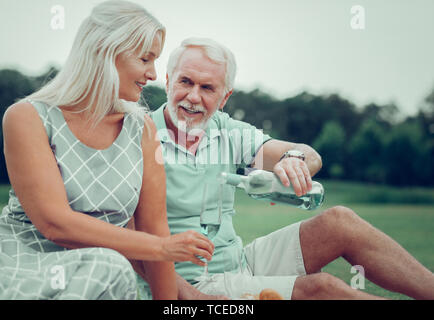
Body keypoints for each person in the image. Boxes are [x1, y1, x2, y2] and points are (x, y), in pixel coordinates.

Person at [146, 37, 434, 300]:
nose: (194, 97)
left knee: (340, 221)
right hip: (193, 283)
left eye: (207, 88)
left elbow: (310, 156)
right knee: (323, 289)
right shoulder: (140, 135)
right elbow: (127, 239)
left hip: (240, 262)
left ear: (224, 98)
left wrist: (293, 158)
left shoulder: (226, 130)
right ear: (169, 81)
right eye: (186, 82)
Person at [0, 1, 214, 300]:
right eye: (145, 59)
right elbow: (56, 223)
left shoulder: (142, 130)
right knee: (110, 267)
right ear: (105, 51)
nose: (153, 74)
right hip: (15, 265)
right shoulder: (27, 117)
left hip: (95, 274)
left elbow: (155, 229)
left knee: (109, 268)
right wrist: (162, 248)